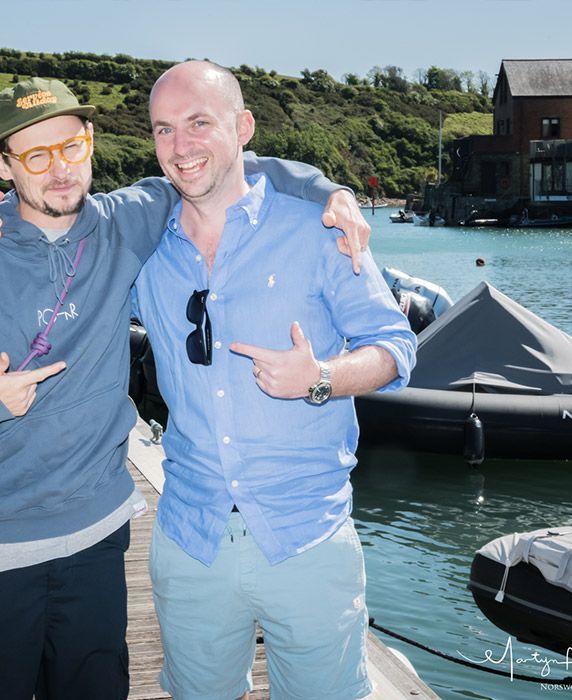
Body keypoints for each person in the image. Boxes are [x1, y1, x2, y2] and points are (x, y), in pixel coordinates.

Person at [0, 76, 370, 700]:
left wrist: (331, 189)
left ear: (90, 142)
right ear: (1, 163)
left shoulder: (125, 221)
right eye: (34, 155)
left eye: (71, 147)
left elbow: (215, 161)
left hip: (97, 541)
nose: (59, 171)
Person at [128, 61, 417, 699]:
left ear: (244, 127)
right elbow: (56, 236)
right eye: (164, 130)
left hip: (307, 535)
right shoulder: (143, 249)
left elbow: (397, 346)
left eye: (199, 123)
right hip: (190, 538)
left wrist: (320, 378)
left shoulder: (320, 230)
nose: (181, 146)